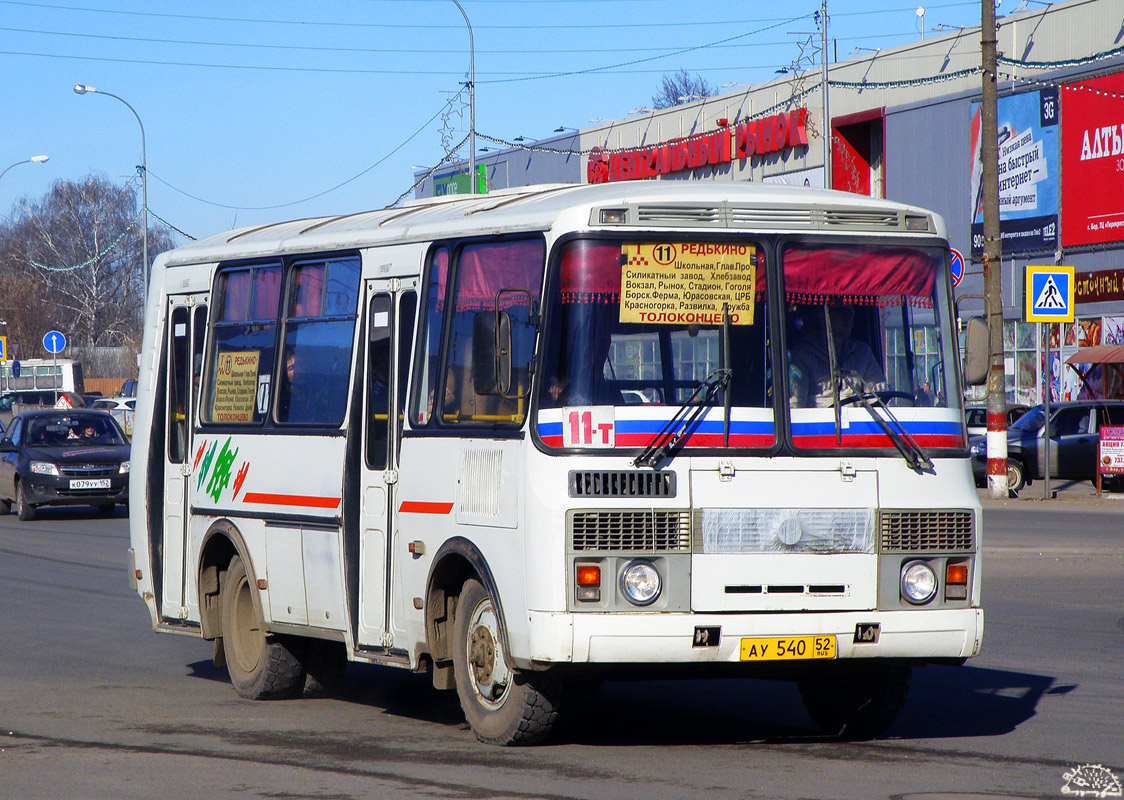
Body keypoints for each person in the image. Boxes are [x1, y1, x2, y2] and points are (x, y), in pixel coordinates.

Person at [789, 304, 886, 408]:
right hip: (817, 422)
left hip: (857, 422)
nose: (848, 318)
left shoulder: (863, 353)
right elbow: (795, 405)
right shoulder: (803, 354)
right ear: (823, 316)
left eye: (851, 313)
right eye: (841, 312)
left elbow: (878, 399)